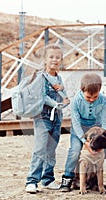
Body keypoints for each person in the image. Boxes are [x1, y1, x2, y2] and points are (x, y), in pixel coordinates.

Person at [59, 73, 106, 193]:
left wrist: (103, 137)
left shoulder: (103, 100)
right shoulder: (77, 101)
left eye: (95, 97)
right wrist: (84, 142)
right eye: (88, 97)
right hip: (80, 129)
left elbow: (105, 121)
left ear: (99, 91)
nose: (92, 100)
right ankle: (67, 178)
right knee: (75, 150)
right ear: (82, 90)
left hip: (97, 129)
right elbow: (76, 123)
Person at [25, 45, 70, 193]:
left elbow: (64, 95)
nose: (54, 60)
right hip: (42, 116)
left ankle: (47, 179)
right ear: (45, 59)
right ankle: (32, 181)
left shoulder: (58, 77)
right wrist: (57, 104)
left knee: (51, 149)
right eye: (51, 57)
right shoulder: (41, 76)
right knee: (40, 148)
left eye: (57, 57)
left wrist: (63, 94)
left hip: (57, 117)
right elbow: (41, 96)